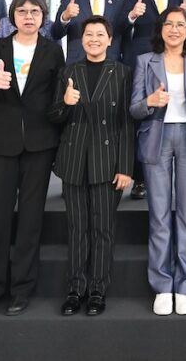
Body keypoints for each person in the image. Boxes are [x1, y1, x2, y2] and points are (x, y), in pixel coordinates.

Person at [0, 0, 65, 318]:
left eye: (34, 12)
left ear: (43, 17)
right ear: (13, 16)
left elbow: (56, 97)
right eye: (22, 11)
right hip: (1, 142)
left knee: (30, 219)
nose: (28, 17)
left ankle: (22, 289)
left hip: (39, 144)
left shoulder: (53, 50)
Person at [130, 8, 186, 316]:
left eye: (181, 24)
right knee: (159, 214)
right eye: (169, 24)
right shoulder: (145, 61)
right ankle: (163, 285)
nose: (175, 29)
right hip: (157, 138)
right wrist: (150, 102)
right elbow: (134, 108)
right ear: (161, 29)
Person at [48, 16, 133, 317]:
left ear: (110, 40)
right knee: (77, 228)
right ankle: (75, 289)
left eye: (100, 34)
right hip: (73, 158)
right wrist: (65, 102)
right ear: (80, 39)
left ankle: (97, 289)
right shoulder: (68, 71)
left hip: (107, 161)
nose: (94, 39)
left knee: (103, 229)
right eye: (88, 34)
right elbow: (54, 116)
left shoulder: (122, 72)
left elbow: (127, 122)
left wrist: (126, 166)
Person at [120, 0, 186, 200]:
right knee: (141, 118)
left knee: (168, 116)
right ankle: (140, 179)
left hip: (171, 62)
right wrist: (131, 15)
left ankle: (166, 176)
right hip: (142, 62)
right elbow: (118, 27)